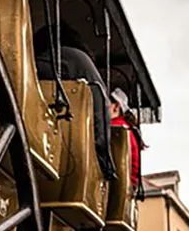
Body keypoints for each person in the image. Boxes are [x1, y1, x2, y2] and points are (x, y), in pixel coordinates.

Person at [33, 25, 116, 181]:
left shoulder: (63, 58)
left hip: (63, 151)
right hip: (81, 152)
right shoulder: (80, 61)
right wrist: (104, 161)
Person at [109, 88, 146, 197]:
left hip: (121, 187)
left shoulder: (116, 127)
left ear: (116, 106)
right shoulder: (128, 127)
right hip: (128, 186)